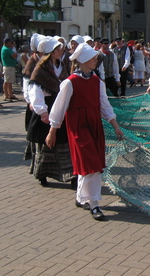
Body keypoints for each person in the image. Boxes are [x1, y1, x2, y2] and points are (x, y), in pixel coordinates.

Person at [46, 43, 124, 221]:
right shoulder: (69, 83)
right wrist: (52, 131)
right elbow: (58, 109)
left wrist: (115, 125)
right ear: (82, 60)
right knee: (92, 165)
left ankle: (81, 198)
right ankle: (94, 203)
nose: (96, 60)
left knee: (88, 165)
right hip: (78, 127)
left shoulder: (97, 81)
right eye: (93, 57)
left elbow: (104, 105)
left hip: (94, 125)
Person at [26, 37, 74, 188]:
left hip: (60, 106)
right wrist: (42, 111)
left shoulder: (62, 66)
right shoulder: (40, 70)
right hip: (47, 106)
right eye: (57, 49)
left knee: (64, 143)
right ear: (50, 52)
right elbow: (35, 91)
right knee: (44, 145)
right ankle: (42, 175)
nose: (61, 51)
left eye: (61, 48)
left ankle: (72, 176)